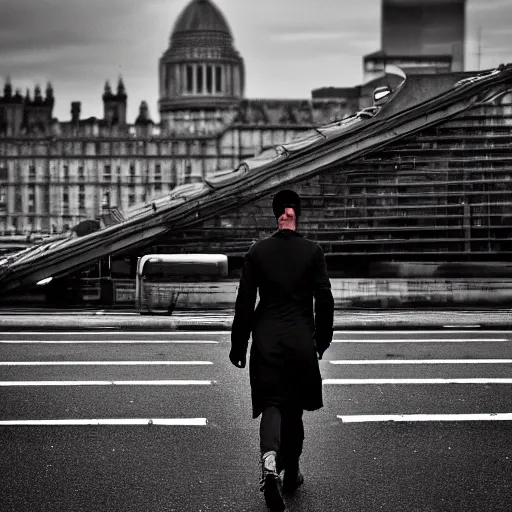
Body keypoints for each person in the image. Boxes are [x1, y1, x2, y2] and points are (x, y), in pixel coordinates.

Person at [229, 189, 335, 511]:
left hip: (266, 341)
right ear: (296, 214)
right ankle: (293, 474)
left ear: (276, 214)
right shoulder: (312, 251)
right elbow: (325, 299)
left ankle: (271, 461)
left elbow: (245, 302)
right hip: (301, 340)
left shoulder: (258, 252)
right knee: (295, 408)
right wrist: (322, 340)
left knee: (271, 404)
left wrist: (239, 344)